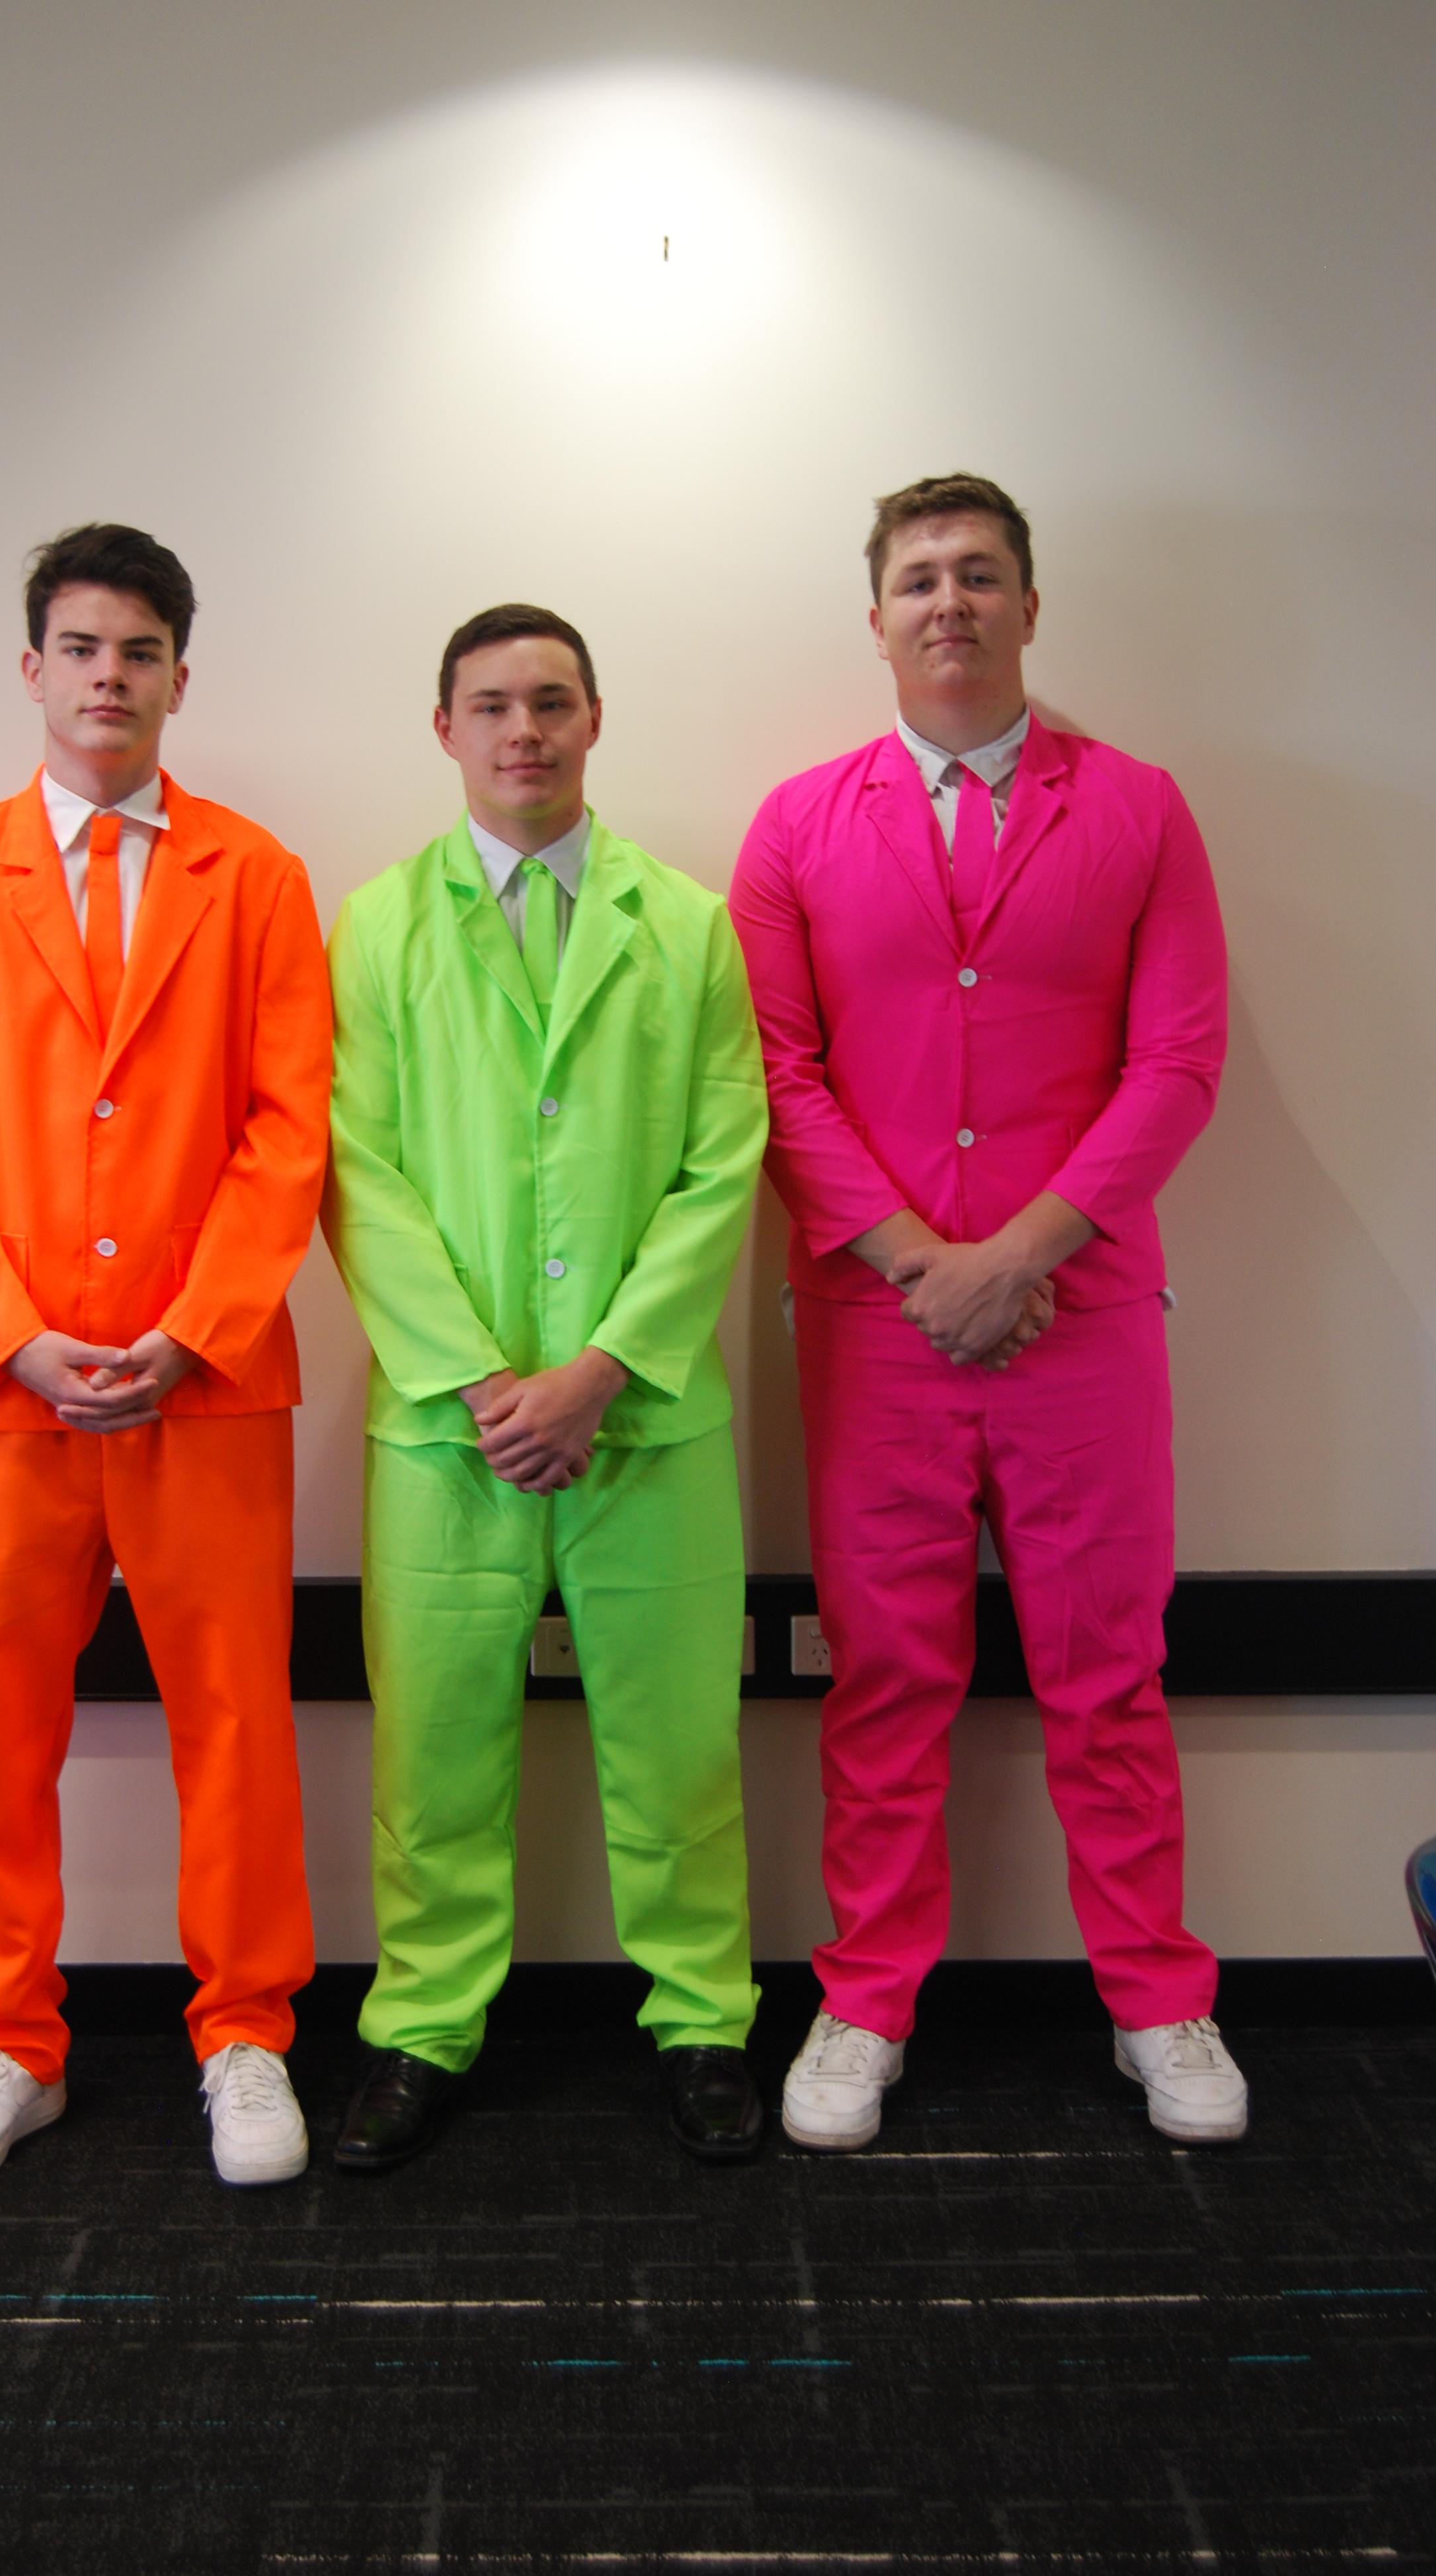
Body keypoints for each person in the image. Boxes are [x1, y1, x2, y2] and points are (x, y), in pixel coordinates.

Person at [729, 474, 1248, 2151]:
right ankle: (866, 1999)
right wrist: (919, 1261)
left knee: (1111, 1672)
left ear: (1030, 605)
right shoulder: (798, 826)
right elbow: (777, 1074)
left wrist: (1017, 1255)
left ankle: (1158, 1998)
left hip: (1080, 1318)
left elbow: (1179, 1061)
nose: (947, 601)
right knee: (886, 1679)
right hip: (875, 1326)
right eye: (918, 578)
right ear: (876, 617)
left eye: (978, 574)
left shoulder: (1142, 810)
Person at [0, 524, 331, 2189]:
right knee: (0, 1738)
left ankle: (247, 2032)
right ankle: (5, 2041)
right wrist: (14, 1337)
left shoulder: (256, 877)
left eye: (141, 651)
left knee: (239, 1727)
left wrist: (192, 1329)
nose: (110, 677)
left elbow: (289, 1132)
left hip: (209, 1386)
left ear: (179, 679)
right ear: (34, 669)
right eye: (81, 647)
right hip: (9, 1395)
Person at [321, 603, 769, 2169]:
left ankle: (703, 2019)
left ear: (594, 719)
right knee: (432, 1749)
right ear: (445, 728)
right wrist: (477, 1378)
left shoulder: (688, 925)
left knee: (680, 1742)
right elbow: (357, 1172)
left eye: (554, 701)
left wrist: (597, 1370)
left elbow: (724, 1160)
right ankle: (423, 2025)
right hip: (448, 1434)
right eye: (494, 704)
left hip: (646, 1417)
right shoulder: (378, 926)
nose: (526, 730)